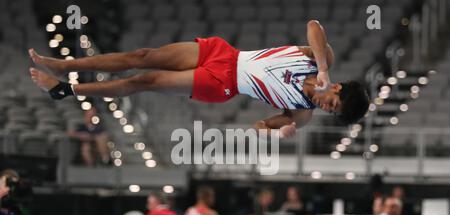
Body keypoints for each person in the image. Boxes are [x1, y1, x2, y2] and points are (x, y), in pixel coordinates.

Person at [29, 20, 370, 140]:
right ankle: (63, 64)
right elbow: (313, 25)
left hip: (223, 83)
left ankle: (67, 89)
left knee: (145, 79)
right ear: (337, 88)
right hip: (224, 53)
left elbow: (255, 127)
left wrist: (278, 131)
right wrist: (323, 68)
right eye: (334, 103)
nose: (326, 107)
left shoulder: (303, 113)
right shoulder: (318, 60)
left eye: (331, 112)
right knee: (142, 55)